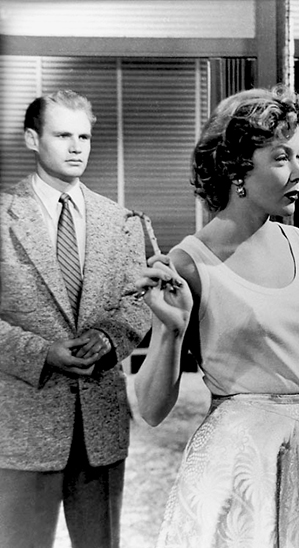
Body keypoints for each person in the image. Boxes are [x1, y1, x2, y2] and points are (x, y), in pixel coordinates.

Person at [133, 85, 299, 548]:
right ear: (236, 168)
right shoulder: (189, 263)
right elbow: (153, 411)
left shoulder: (298, 244)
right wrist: (171, 332)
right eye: (281, 158)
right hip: (237, 470)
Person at [0, 90, 150, 547]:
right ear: (32, 139)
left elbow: (137, 301)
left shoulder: (120, 220)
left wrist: (110, 336)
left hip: (100, 427)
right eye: (62, 135)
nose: (76, 147)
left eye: (83, 137)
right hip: (22, 427)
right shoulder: (3, 217)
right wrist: (42, 352)